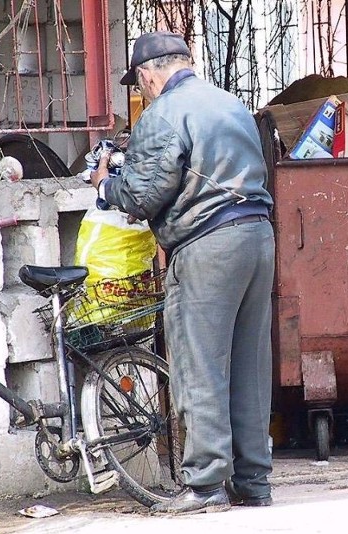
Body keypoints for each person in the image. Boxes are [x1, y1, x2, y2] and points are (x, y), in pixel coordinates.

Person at [89, 31, 275, 515]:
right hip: (257, 236)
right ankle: (254, 482)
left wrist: (107, 183)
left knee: (200, 363)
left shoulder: (163, 114)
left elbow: (144, 196)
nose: (142, 89)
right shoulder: (231, 104)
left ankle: (207, 482)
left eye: (140, 81)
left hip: (208, 245)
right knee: (249, 364)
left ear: (149, 73)